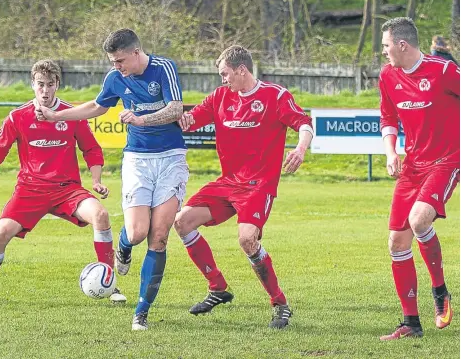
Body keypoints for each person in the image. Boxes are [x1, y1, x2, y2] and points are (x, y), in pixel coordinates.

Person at [36, 29, 188, 331]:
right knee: (136, 232)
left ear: (136, 51)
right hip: (138, 161)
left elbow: (175, 108)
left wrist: (141, 119)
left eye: (120, 61)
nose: (117, 66)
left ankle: (141, 312)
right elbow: (97, 107)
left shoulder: (164, 68)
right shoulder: (115, 78)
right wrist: (56, 117)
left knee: (158, 235)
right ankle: (124, 248)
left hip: (171, 158)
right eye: (113, 62)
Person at [174, 45, 313, 329]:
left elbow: (304, 124)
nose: (223, 79)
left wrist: (300, 148)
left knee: (247, 240)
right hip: (227, 183)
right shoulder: (220, 96)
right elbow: (193, 119)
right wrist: (179, 117)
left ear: (241, 69)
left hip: (258, 186)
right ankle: (218, 288)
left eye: (225, 74)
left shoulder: (275, 96)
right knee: (182, 222)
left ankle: (280, 304)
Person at [0, 59, 126, 304]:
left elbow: (91, 148)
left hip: (66, 189)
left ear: (57, 84)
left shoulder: (72, 115)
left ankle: (108, 283)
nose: (45, 90)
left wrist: (97, 179)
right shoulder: (18, 117)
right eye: (40, 85)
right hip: (30, 190)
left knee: (100, 215)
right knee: (2, 233)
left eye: (50, 84)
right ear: (32, 85)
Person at [378, 17, 459, 340]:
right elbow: (387, 116)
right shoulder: (388, 76)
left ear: (402, 45)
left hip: (447, 160)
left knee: (419, 220)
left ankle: (440, 292)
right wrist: (390, 153)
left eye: (386, 46)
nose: (383, 52)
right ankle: (411, 324)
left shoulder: (443, 71)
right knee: (397, 243)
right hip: (412, 165)